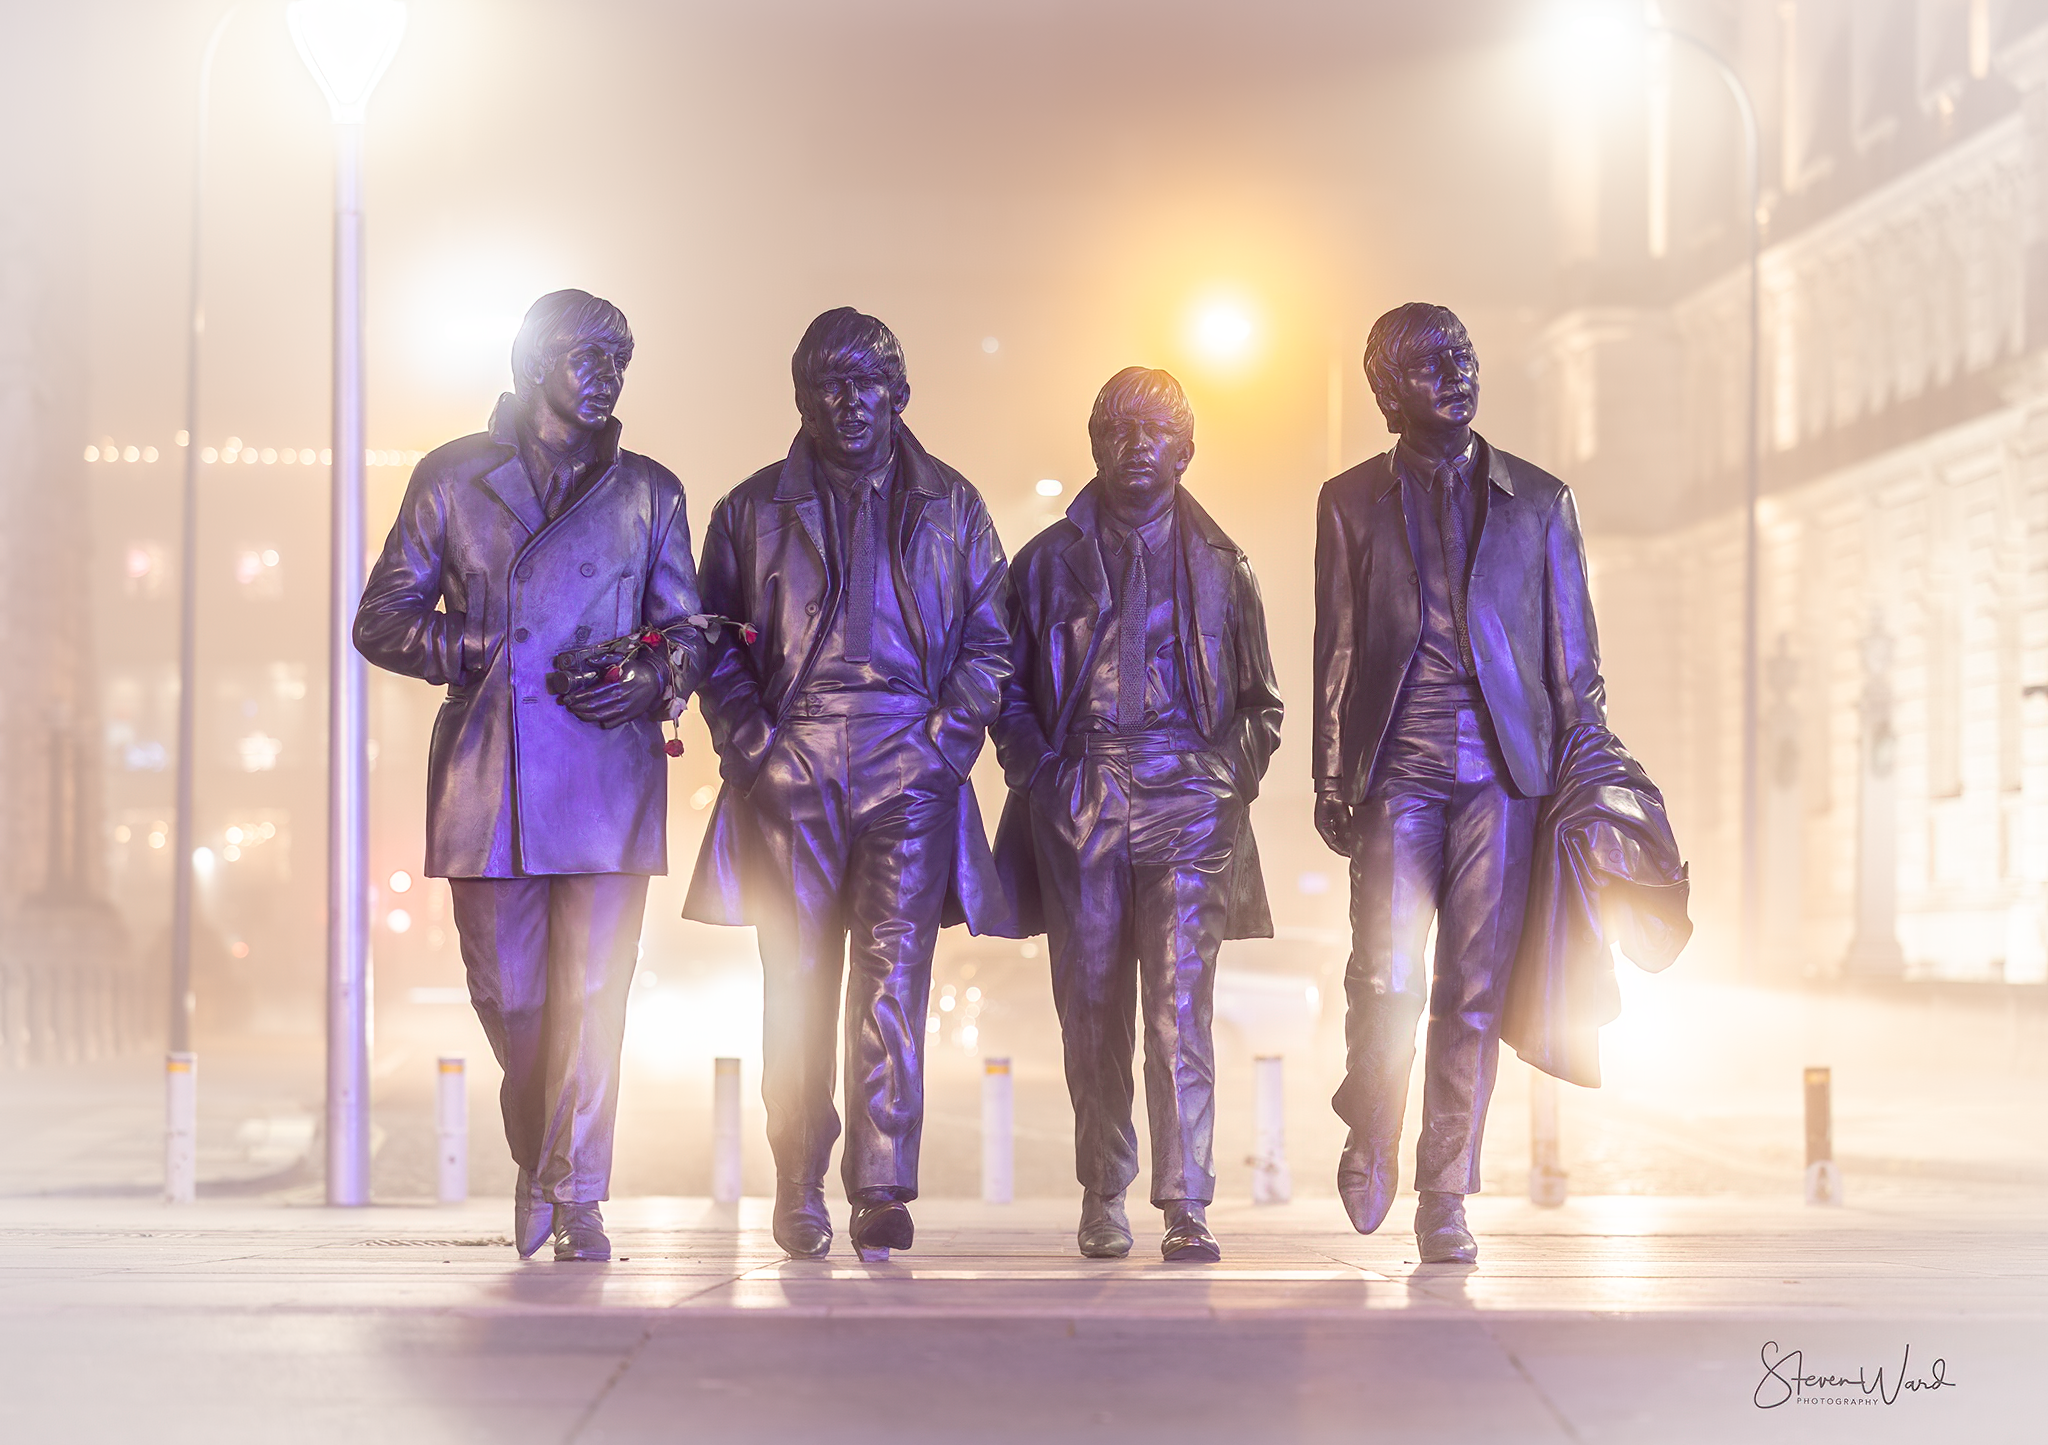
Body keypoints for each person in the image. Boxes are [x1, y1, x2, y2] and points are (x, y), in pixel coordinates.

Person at [354, 289, 705, 1262]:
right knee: (510, 999)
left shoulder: (649, 491)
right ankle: (543, 1155)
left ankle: (575, 1193)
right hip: (488, 777)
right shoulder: (453, 478)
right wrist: (465, 643)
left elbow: (689, 632)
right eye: (586, 355)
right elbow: (379, 619)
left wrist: (651, 674)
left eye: (618, 360)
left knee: (594, 998)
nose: (606, 375)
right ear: (532, 361)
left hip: (605, 776)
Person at [685, 307, 1010, 1262]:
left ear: (900, 395)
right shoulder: (750, 511)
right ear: (802, 397)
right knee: (794, 979)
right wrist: (753, 745)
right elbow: (713, 642)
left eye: (868, 381)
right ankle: (796, 1177)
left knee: (892, 978)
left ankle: (879, 1183)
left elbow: (992, 643)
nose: (850, 399)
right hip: (794, 764)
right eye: (831, 381)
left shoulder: (954, 504)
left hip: (910, 764)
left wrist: (943, 745)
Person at [1312, 302, 1605, 1264]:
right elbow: (1340, 650)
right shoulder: (1349, 501)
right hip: (1397, 767)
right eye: (1432, 363)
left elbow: (1575, 665)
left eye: (1465, 356)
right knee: (1386, 975)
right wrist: (1328, 772)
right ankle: (1372, 1122)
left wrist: (1590, 771)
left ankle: (1446, 1192)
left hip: (1504, 776)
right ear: (1390, 391)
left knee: (1471, 987)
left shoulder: (1542, 501)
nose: (1458, 372)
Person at [991, 367, 1282, 1262]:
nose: (1136, 444)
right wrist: (1044, 774)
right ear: (1094, 443)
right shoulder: (1044, 563)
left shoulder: (1226, 568)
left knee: (1178, 1012)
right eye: (1118, 427)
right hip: (1083, 794)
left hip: (1189, 804)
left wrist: (1221, 780)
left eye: (1155, 428)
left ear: (1187, 450)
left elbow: (1261, 705)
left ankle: (1187, 1199)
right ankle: (1102, 1189)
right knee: (1091, 1009)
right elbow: (1003, 687)